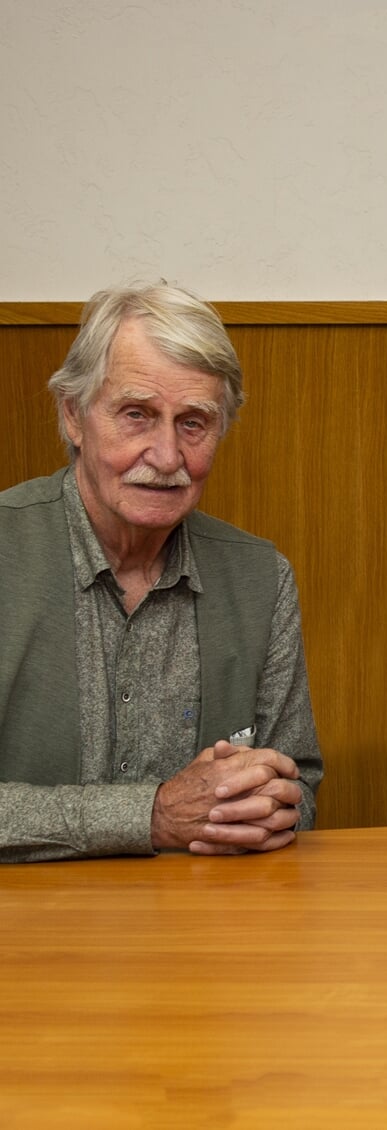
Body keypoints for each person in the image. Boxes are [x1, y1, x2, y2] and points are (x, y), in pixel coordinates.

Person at [0, 282, 322, 863]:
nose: (167, 457)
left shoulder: (260, 578)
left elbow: (301, 785)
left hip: (203, 931)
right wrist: (149, 816)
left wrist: (270, 800)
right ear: (74, 416)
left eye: (193, 423)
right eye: (136, 415)